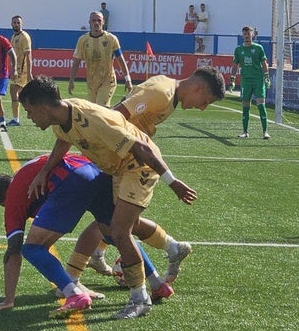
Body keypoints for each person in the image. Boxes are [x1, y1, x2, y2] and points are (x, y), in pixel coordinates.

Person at [20, 76, 197, 319]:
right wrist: (44, 172)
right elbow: (64, 139)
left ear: (43, 108)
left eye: (30, 112)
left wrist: (172, 181)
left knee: (119, 230)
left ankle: (140, 299)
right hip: (118, 170)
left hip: (139, 167)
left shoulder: (94, 120)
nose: (29, 117)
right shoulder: (60, 118)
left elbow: (141, 149)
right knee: (116, 227)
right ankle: (159, 279)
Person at [83, 66, 226, 279]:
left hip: (125, 161)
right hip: (117, 158)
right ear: (198, 88)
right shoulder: (162, 93)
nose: (203, 108)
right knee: (116, 222)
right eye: (205, 101)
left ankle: (93, 261)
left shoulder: (169, 95)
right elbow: (115, 115)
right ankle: (161, 260)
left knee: (117, 221)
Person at [0, 154, 174, 314]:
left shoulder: (13, 196)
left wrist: (9, 299)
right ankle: (158, 284)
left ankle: (73, 293)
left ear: (4, 200)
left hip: (73, 181)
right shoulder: (27, 172)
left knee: (32, 248)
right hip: (98, 172)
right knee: (118, 233)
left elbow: (13, 251)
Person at [68, 11, 132, 107]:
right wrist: (71, 80)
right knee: (93, 113)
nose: (96, 23)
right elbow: (76, 61)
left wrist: (128, 79)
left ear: (103, 22)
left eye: (99, 20)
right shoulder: (82, 40)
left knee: (100, 109)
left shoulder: (111, 39)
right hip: (91, 84)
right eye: (94, 20)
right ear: (89, 22)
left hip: (107, 81)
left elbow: (120, 60)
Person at [229, 26, 271, 140]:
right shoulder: (238, 50)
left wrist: (266, 76)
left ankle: (265, 132)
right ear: (242, 36)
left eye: (248, 34)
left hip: (258, 80)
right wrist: (232, 79)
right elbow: (235, 65)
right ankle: (245, 132)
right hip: (246, 81)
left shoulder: (258, 48)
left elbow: (264, 63)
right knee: (245, 106)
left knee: (261, 105)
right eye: (245, 34)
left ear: (252, 35)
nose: (247, 36)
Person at [6, 15, 33, 127]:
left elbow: (29, 56)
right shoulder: (13, 37)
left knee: (13, 91)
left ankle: (16, 119)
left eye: (18, 22)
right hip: (16, 69)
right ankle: (36, 112)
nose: (16, 24)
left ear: (22, 24)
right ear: (11, 24)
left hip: (22, 70)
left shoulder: (24, 37)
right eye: (14, 22)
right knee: (23, 96)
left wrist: (29, 72)